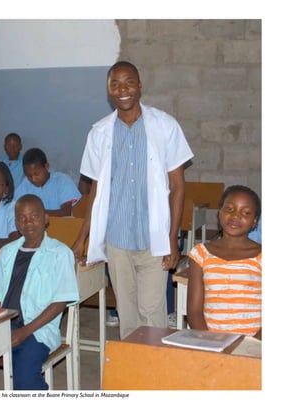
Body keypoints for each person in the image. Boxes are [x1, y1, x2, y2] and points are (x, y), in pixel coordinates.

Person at [73, 61, 194, 339]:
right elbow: (96, 190)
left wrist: (173, 237)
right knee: (127, 315)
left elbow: (177, 187)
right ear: (108, 89)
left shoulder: (164, 125)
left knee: (152, 314)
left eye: (128, 82)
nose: (122, 89)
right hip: (117, 240)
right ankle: (132, 379)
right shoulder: (99, 132)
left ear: (139, 86)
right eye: (115, 83)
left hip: (153, 239)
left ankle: (154, 376)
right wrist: (83, 237)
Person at [0, 194, 80, 390]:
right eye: (22, 218)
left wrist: (25, 331)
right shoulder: (7, 252)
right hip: (5, 324)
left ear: (46, 218)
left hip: (37, 330)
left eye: (34, 216)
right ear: (16, 223)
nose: (28, 223)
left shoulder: (60, 253)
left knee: (24, 378)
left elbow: (60, 301)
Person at [187, 185, 261, 339]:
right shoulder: (201, 254)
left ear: (254, 222)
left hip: (254, 346)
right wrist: (210, 342)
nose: (236, 216)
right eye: (229, 209)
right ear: (219, 213)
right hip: (211, 342)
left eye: (245, 213)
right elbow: (194, 312)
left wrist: (251, 345)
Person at [15, 147, 81, 217]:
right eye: (29, 176)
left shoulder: (62, 180)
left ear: (46, 166)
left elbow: (65, 213)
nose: (33, 179)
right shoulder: (25, 184)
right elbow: (16, 209)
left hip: (61, 225)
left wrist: (37, 214)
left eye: (36, 174)